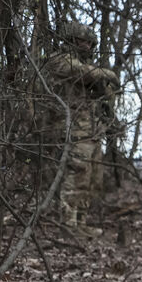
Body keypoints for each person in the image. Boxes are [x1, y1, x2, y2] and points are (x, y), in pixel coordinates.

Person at [44, 21, 119, 238]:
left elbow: (107, 94)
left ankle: (81, 222)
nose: (87, 46)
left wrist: (105, 87)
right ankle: (68, 225)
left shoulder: (88, 68)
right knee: (75, 175)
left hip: (92, 131)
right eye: (82, 41)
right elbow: (78, 71)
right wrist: (106, 74)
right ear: (71, 40)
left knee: (91, 180)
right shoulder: (57, 60)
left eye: (89, 42)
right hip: (73, 130)